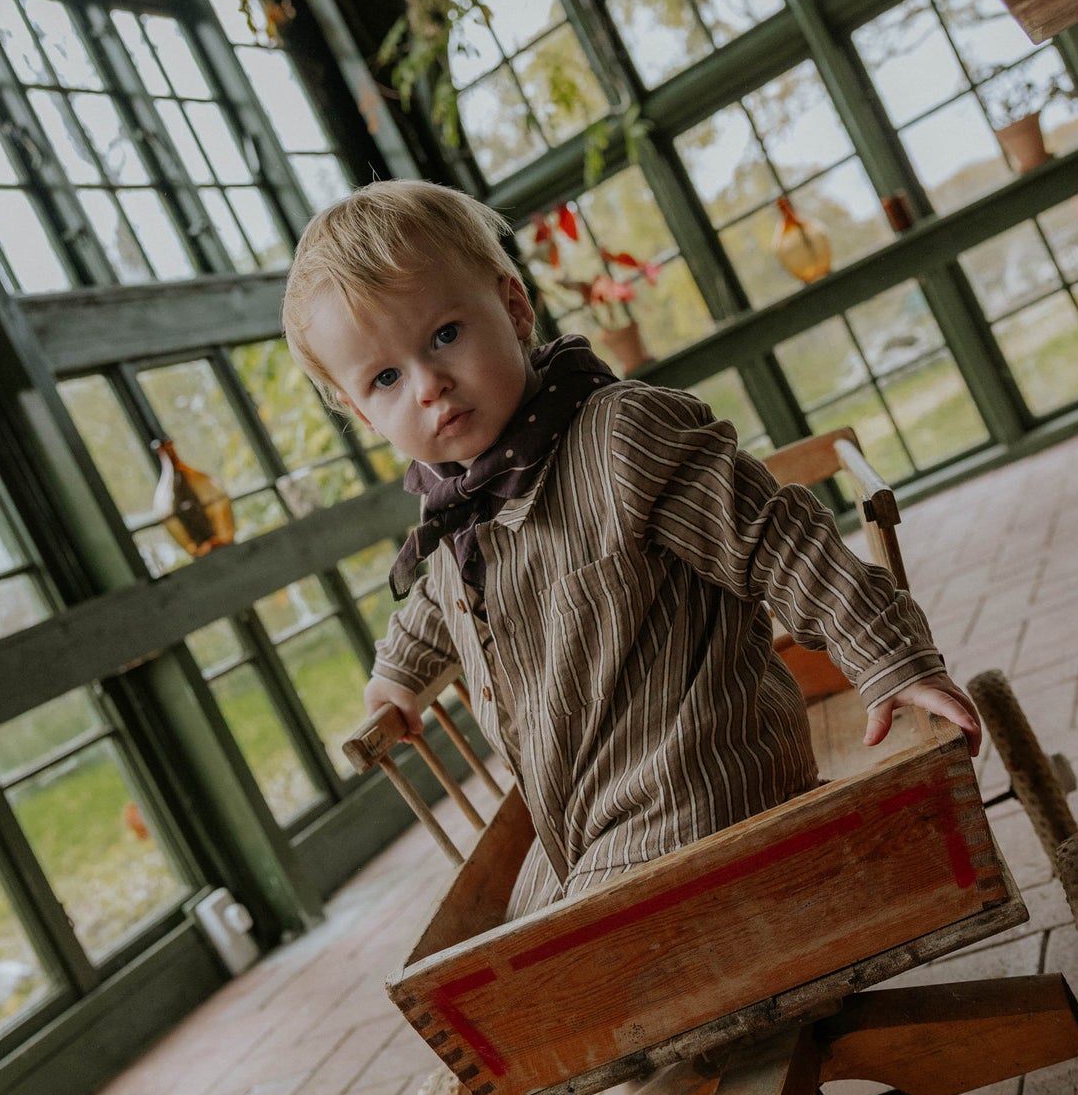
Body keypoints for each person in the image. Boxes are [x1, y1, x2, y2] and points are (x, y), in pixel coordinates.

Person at [282, 179, 981, 917]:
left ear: (514, 307)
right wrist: (398, 672)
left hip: (701, 780)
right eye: (386, 378)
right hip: (584, 817)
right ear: (361, 412)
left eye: (445, 334)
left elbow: (777, 538)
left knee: (561, 961)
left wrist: (887, 658)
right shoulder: (461, 508)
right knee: (515, 929)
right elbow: (438, 598)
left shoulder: (622, 437)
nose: (428, 384)